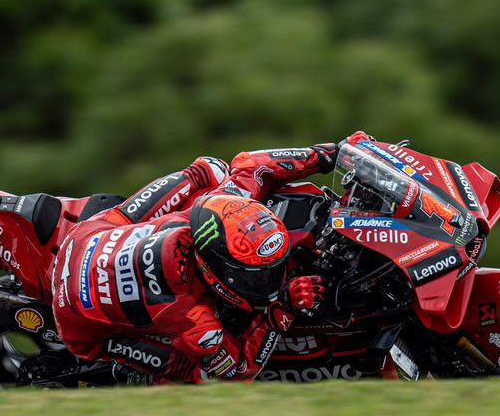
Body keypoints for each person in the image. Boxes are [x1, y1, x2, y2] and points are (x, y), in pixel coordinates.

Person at [50, 140, 341, 384]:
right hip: (76, 320)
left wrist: (328, 154)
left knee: (208, 170)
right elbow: (239, 371)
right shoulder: (195, 319)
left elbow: (252, 164)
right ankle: (125, 370)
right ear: (213, 270)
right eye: (255, 276)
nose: (271, 282)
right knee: (193, 375)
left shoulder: (222, 201)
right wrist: (281, 312)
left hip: (87, 235)